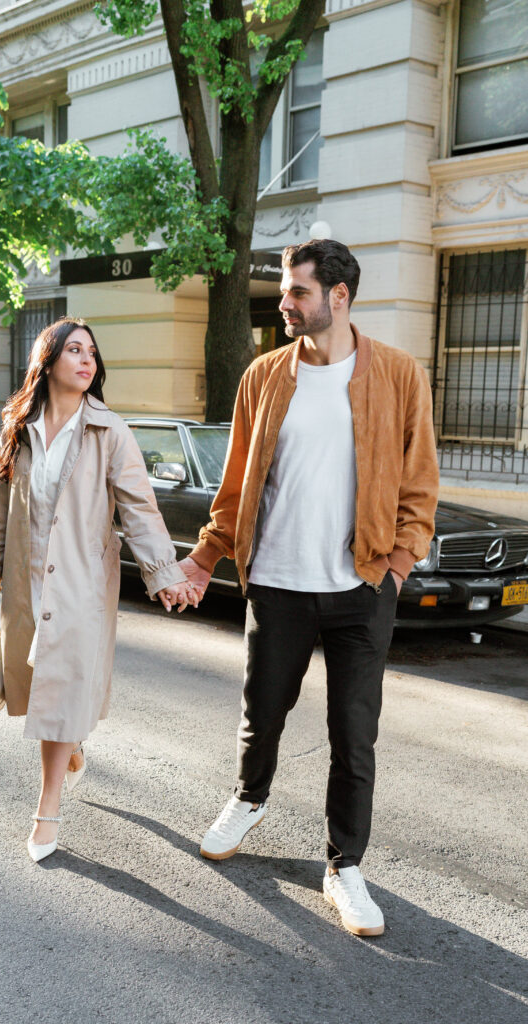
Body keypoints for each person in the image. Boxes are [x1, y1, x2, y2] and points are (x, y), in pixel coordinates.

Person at [180, 239, 439, 937]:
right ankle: (248, 796)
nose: (285, 303)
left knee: (353, 735)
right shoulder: (264, 376)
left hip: (361, 583)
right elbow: (236, 480)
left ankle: (343, 866)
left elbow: (419, 480)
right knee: (260, 711)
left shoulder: (396, 374)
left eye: (297, 292)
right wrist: (207, 554)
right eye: (286, 292)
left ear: (338, 296)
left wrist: (399, 559)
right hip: (276, 581)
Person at [0, 316, 196, 862]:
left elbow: (139, 508)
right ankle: (69, 745)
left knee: (61, 690)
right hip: (28, 586)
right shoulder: (17, 429)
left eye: (91, 352)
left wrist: (164, 574)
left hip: (82, 586)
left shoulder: (110, 430)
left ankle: (46, 811)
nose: (86, 359)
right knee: (41, 689)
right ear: (47, 362)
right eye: (74, 350)